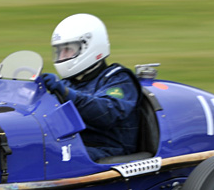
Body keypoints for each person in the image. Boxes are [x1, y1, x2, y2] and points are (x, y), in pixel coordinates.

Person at [38, 13, 141, 161]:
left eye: (67, 50)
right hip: (76, 145)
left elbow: (106, 114)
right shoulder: (70, 83)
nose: (61, 57)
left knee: (51, 159)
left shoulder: (119, 79)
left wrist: (66, 93)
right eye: (59, 51)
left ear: (89, 47)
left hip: (109, 150)